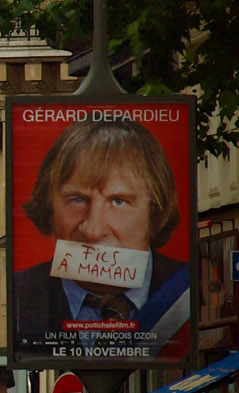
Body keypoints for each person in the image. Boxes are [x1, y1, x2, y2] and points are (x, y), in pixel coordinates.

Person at [11, 117, 191, 361]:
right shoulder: (18, 296)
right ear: (49, 206)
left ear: (155, 210)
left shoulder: (187, 291)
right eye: (77, 199)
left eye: (118, 201)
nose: (93, 230)